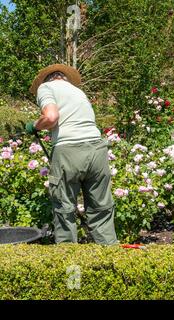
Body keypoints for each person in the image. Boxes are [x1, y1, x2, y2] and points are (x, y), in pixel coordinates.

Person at [26, 64, 118, 244]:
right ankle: (111, 259)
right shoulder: (77, 91)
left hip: (69, 152)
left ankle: (70, 265)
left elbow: (51, 117)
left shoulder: (46, 87)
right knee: (101, 209)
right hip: (97, 150)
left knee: (64, 208)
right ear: (64, 77)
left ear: (47, 79)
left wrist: (35, 125)